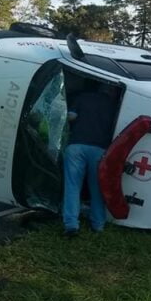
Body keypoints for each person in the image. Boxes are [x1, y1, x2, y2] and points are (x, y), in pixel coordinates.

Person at [62, 84, 117, 237]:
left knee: (72, 186)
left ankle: (71, 225)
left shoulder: (83, 97)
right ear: (112, 91)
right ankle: (98, 225)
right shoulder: (114, 106)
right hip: (100, 150)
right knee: (97, 188)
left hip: (76, 146)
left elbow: (71, 116)